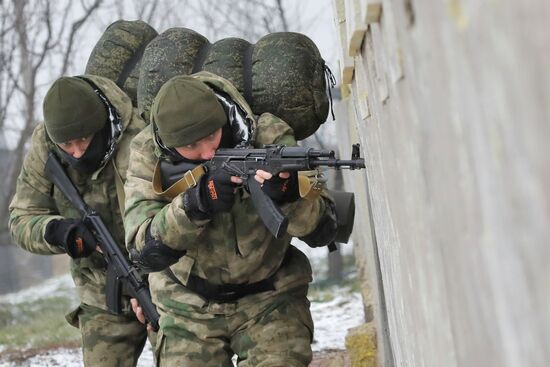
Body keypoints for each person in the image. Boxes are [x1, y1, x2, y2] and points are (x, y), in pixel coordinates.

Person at [124, 72, 338, 366]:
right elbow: (141, 250)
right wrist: (196, 204)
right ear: (170, 145)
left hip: (271, 297)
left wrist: (288, 196)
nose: (208, 152)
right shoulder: (147, 153)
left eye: (212, 135)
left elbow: (325, 226)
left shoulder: (272, 135)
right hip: (186, 307)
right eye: (191, 147)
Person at [9, 75, 150, 366]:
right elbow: (21, 219)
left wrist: (153, 284)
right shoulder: (46, 146)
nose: (76, 152)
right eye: (66, 144)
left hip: (159, 279)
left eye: (83, 140)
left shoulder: (138, 137)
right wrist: (60, 232)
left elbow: (169, 217)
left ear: (99, 127)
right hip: (99, 291)